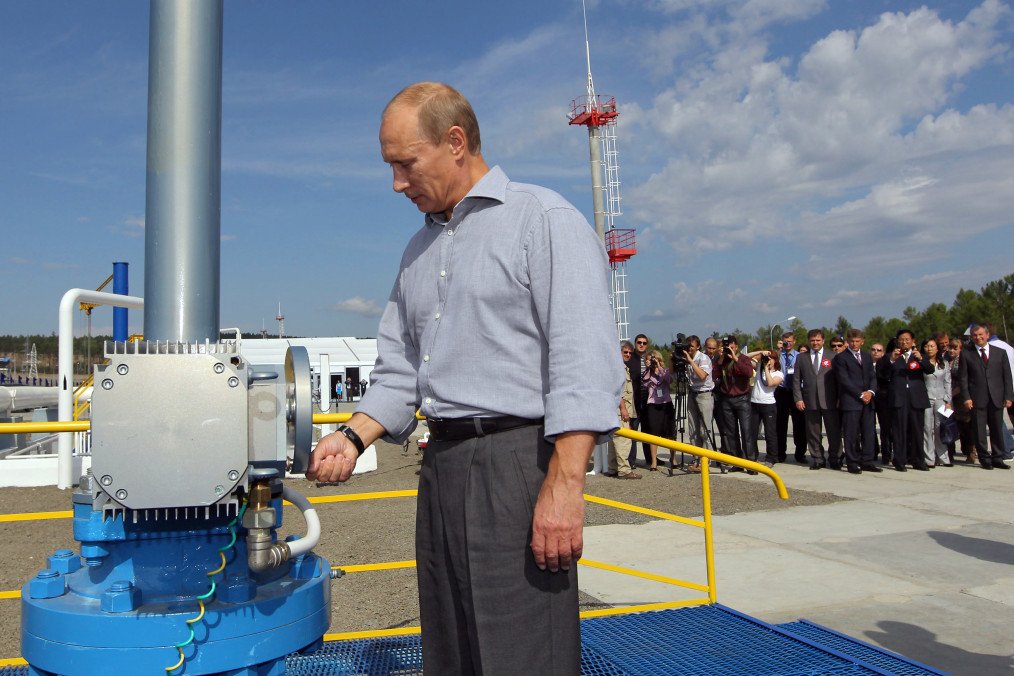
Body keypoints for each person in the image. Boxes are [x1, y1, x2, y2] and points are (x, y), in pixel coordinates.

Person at [305, 82, 623, 674]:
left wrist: (564, 485)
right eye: (391, 166)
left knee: (524, 651)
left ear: (455, 143)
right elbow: (401, 368)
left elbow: (584, 361)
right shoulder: (417, 250)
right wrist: (351, 439)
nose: (397, 183)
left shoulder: (543, 220)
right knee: (450, 648)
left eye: (406, 163)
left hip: (519, 464)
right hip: (443, 462)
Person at [877, 328, 933, 472]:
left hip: (916, 398)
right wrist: (891, 360)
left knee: (917, 430)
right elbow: (882, 374)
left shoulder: (918, 356)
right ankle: (899, 460)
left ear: (913, 341)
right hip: (899, 398)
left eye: (907, 340)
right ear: (897, 341)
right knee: (899, 431)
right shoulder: (890, 356)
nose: (904, 342)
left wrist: (921, 358)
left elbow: (930, 369)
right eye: (901, 340)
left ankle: (918, 460)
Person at [958, 324, 1013, 470]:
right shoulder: (966, 353)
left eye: (981, 334)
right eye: (975, 335)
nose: (978, 337)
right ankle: (984, 458)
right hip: (976, 398)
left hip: (997, 397)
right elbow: (963, 378)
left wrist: (1008, 396)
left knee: (997, 429)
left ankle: (998, 457)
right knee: (980, 430)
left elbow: (1007, 377)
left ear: (987, 335)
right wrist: (966, 397)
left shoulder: (1000, 352)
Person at [792, 329, 841, 470]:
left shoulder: (833, 356)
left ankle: (835, 458)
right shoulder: (802, 357)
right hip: (810, 400)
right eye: (812, 340)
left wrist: (839, 398)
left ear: (823, 341)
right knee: (813, 432)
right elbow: (796, 380)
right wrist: (798, 399)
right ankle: (818, 458)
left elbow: (839, 379)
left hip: (829, 400)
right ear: (809, 341)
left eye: (818, 340)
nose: (815, 343)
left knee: (834, 432)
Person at [834, 329, 880, 474]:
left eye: (857, 341)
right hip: (852, 401)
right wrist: (860, 394)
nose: (854, 344)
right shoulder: (841, 358)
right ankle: (852, 462)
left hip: (868, 401)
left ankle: (867, 461)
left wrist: (871, 392)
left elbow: (873, 376)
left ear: (862, 341)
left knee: (868, 432)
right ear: (848, 342)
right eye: (852, 341)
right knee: (851, 433)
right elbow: (844, 380)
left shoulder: (866, 356)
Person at [715, 335, 754, 469]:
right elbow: (715, 375)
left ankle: (750, 463)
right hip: (727, 399)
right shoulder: (722, 361)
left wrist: (735, 358)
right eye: (727, 348)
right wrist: (720, 358)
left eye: (731, 347)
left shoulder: (743, 358)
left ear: (736, 347)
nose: (729, 350)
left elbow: (749, 372)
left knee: (746, 431)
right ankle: (737, 462)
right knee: (731, 432)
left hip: (742, 398)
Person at [607, 342, 641, 480]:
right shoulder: (618, 368)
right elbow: (618, 391)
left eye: (629, 353)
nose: (628, 355)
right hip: (620, 409)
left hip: (618, 408)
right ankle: (624, 470)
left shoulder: (621, 368)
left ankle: (613, 467)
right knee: (623, 439)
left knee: (614, 438)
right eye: (625, 352)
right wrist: (623, 408)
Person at [682, 335, 714, 473]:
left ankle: (706, 459)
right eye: (687, 347)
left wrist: (690, 361)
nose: (689, 349)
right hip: (692, 393)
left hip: (704, 394)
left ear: (698, 347)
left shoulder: (703, 358)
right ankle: (696, 457)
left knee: (704, 429)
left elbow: (702, 375)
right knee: (693, 427)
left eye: (692, 347)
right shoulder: (685, 357)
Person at [747, 349, 782, 470]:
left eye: (771, 358)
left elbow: (770, 383)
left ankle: (771, 457)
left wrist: (767, 368)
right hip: (754, 403)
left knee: (770, 433)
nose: (768, 360)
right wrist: (761, 353)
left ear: (775, 360)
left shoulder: (778, 373)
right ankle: (753, 456)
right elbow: (745, 357)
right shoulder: (758, 367)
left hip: (768, 405)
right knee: (752, 433)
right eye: (767, 358)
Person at [775, 332, 807, 464]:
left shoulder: (800, 357)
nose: (787, 343)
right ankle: (780, 453)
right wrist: (778, 350)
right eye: (785, 341)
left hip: (796, 391)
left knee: (799, 424)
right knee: (780, 424)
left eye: (789, 341)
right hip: (781, 391)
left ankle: (800, 453)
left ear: (794, 342)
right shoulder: (777, 355)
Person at [641, 349, 674, 471]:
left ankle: (673, 458)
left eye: (654, 359)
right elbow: (645, 382)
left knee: (670, 433)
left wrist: (659, 367)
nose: (653, 362)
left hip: (666, 404)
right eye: (649, 360)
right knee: (653, 434)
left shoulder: (664, 370)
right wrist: (650, 368)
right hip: (653, 405)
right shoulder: (647, 372)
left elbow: (669, 380)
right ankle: (654, 461)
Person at [921, 338, 952, 467]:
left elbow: (948, 382)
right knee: (927, 428)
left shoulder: (944, 363)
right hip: (926, 398)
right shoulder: (921, 363)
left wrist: (948, 400)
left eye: (932, 346)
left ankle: (943, 457)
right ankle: (929, 458)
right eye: (927, 346)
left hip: (941, 398)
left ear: (937, 348)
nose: (930, 348)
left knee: (941, 427)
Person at [627, 334, 651, 468]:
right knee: (633, 431)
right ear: (635, 343)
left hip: (648, 401)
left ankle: (650, 458)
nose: (641, 345)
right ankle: (631, 460)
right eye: (639, 342)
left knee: (648, 431)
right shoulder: (630, 359)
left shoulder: (649, 358)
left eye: (644, 343)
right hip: (634, 401)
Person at [870, 342, 893, 464]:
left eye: (879, 350)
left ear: (883, 352)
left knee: (885, 428)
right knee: (869, 426)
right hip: (870, 398)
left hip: (884, 399)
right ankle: (872, 451)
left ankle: (886, 453)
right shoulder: (866, 364)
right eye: (873, 349)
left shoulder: (887, 363)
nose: (876, 352)